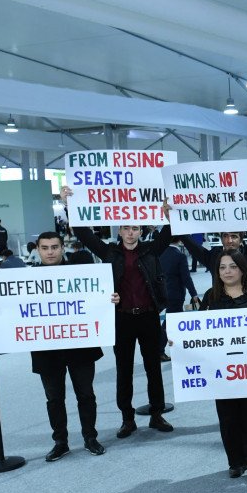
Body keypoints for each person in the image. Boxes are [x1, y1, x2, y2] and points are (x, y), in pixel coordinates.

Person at [0, 232, 115, 461]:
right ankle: (60, 442)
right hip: (47, 348)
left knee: (86, 395)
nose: (50, 252)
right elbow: (14, 311)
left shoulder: (83, 274)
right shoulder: (26, 280)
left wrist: (110, 299)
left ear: (63, 248)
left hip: (80, 345)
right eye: (45, 248)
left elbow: (98, 299)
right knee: (54, 399)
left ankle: (90, 438)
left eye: (54, 247)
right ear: (38, 250)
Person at [63, 185, 175, 438]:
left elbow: (169, 234)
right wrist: (70, 205)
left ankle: (157, 413)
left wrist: (169, 214)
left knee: (153, 368)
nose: (130, 232)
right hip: (121, 318)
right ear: (120, 230)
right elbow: (83, 234)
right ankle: (127, 418)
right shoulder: (109, 252)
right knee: (124, 370)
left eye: (135, 228)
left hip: (148, 316)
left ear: (141, 230)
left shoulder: (150, 250)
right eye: (126, 227)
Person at [198, 250, 247, 484]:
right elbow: (197, 331)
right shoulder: (211, 297)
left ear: (242, 269)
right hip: (223, 369)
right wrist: (177, 340)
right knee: (228, 416)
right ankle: (235, 461)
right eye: (222, 268)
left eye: (232, 267)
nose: (227, 272)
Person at [158, 237, 198, 362]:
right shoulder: (180, 256)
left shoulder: (161, 253)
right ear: (180, 240)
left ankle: (163, 349)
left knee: (169, 323)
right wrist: (194, 294)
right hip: (176, 294)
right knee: (171, 324)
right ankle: (159, 351)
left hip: (163, 292)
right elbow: (186, 278)